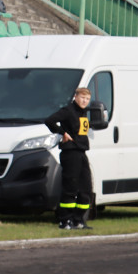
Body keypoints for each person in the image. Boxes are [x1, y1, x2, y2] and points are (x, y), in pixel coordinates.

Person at [44, 87, 94, 231]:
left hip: (81, 152)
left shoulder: (83, 113)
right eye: (82, 97)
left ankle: (78, 220)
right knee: (70, 187)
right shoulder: (68, 111)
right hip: (70, 152)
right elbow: (50, 121)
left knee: (86, 188)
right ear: (75, 97)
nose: (84, 101)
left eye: (87, 99)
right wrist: (62, 133)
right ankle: (64, 220)